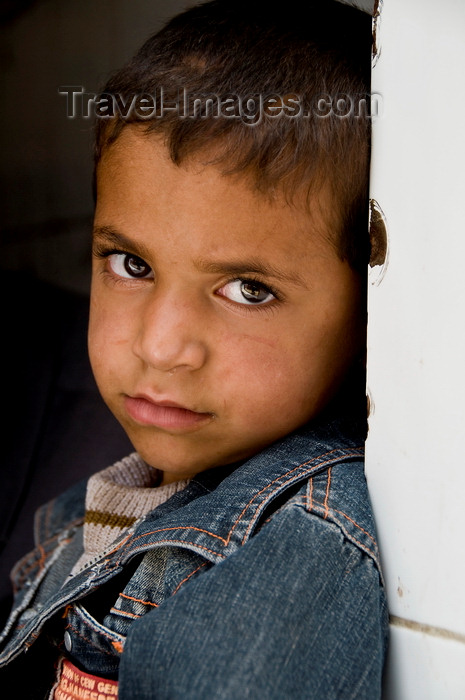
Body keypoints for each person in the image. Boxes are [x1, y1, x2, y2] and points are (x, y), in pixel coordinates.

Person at [0, 1, 388, 697]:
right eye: (131, 264)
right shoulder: (110, 500)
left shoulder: (297, 554)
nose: (160, 345)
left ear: (368, 309)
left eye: (247, 289)